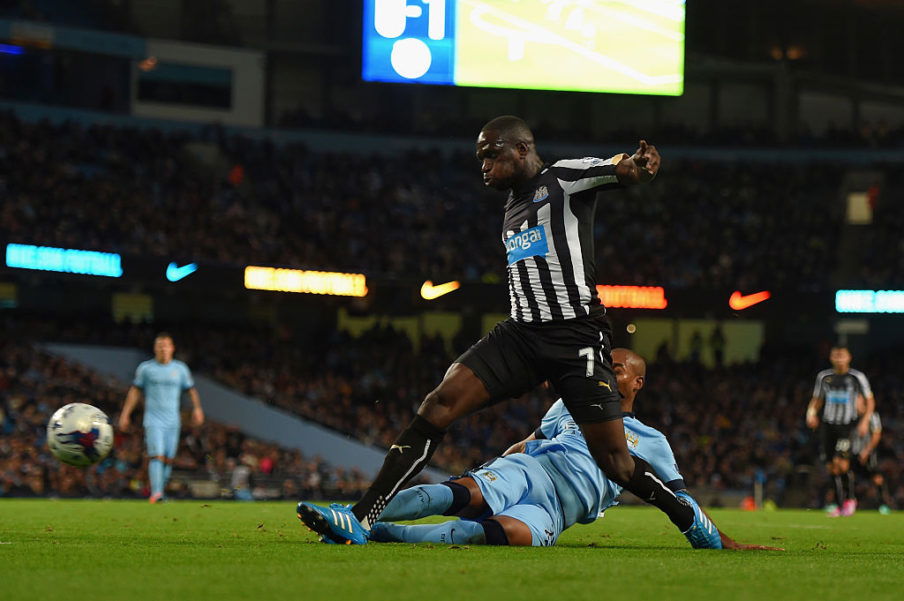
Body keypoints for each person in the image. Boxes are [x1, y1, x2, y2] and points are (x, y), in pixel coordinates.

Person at [298, 116, 716, 547]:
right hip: (520, 335)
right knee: (439, 404)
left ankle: (697, 528)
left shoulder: (564, 178)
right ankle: (361, 519)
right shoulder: (512, 208)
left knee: (617, 463)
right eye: (480, 158)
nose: (483, 166)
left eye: (490, 154)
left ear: (521, 149)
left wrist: (638, 165)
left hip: (575, 336)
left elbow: (618, 168)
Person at [307, 349, 780, 551]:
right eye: (604, 365)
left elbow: (678, 496)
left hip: (559, 510)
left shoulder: (653, 442)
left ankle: (382, 532)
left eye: (616, 369)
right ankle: (354, 516)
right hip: (534, 472)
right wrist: (506, 461)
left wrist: (720, 539)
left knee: (504, 535)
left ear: (637, 382)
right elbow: (534, 439)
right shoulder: (571, 405)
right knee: (461, 494)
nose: (606, 372)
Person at [119, 332, 204, 503]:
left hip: (173, 420)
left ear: (172, 348)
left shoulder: (180, 369)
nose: (163, 349)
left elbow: (191, 390)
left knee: (168, 458)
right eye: (159, 346)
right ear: (155, 348)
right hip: (153, 419)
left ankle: (160, 492)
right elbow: (135, 391)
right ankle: (156, 493)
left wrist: (197, 409)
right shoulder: (146, 369)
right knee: (156, 455)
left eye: (166, 345)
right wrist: (125, 414)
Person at [805, 346, 875, 517]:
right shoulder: (824, 376)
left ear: (849, 357)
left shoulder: (857, 377)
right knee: (831, 467)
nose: (839, 359)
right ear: (831, 358)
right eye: (835, 355)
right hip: (828, 426)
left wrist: (865, 421)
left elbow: (870, 401)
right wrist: (811, 413)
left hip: (847, 425)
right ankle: (838, 504)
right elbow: (817, 399)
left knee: (842, 464)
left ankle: (850, 500)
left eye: (842, 355)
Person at [850, 410, 893, 514]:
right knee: (848, 477)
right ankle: (848, 502)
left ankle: (883, 505)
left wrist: (867, 451)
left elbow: (876, 434)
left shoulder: (873, 415)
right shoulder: (851, 413)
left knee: (876, 478)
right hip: (852, 451)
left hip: (868, 453)